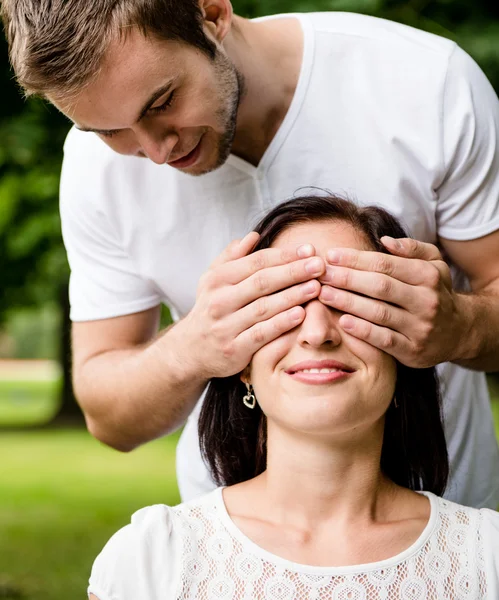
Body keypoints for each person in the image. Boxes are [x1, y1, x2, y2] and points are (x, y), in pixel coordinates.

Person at [2, 0, 499, 507]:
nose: (155, 152)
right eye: (109, 130)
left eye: (161, 103)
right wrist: (193, 345)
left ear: (212, 13)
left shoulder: (426, 83)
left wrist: (461, 325)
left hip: (450, 519)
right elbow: (110, 417)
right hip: (228, 557)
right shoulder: (93, 172)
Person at [87, 196, 499, 600]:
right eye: (288, 302)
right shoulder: (151, 560)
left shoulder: (488, 559)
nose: (318, 333)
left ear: (407, 348)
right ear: (242, 364)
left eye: (350, 301)